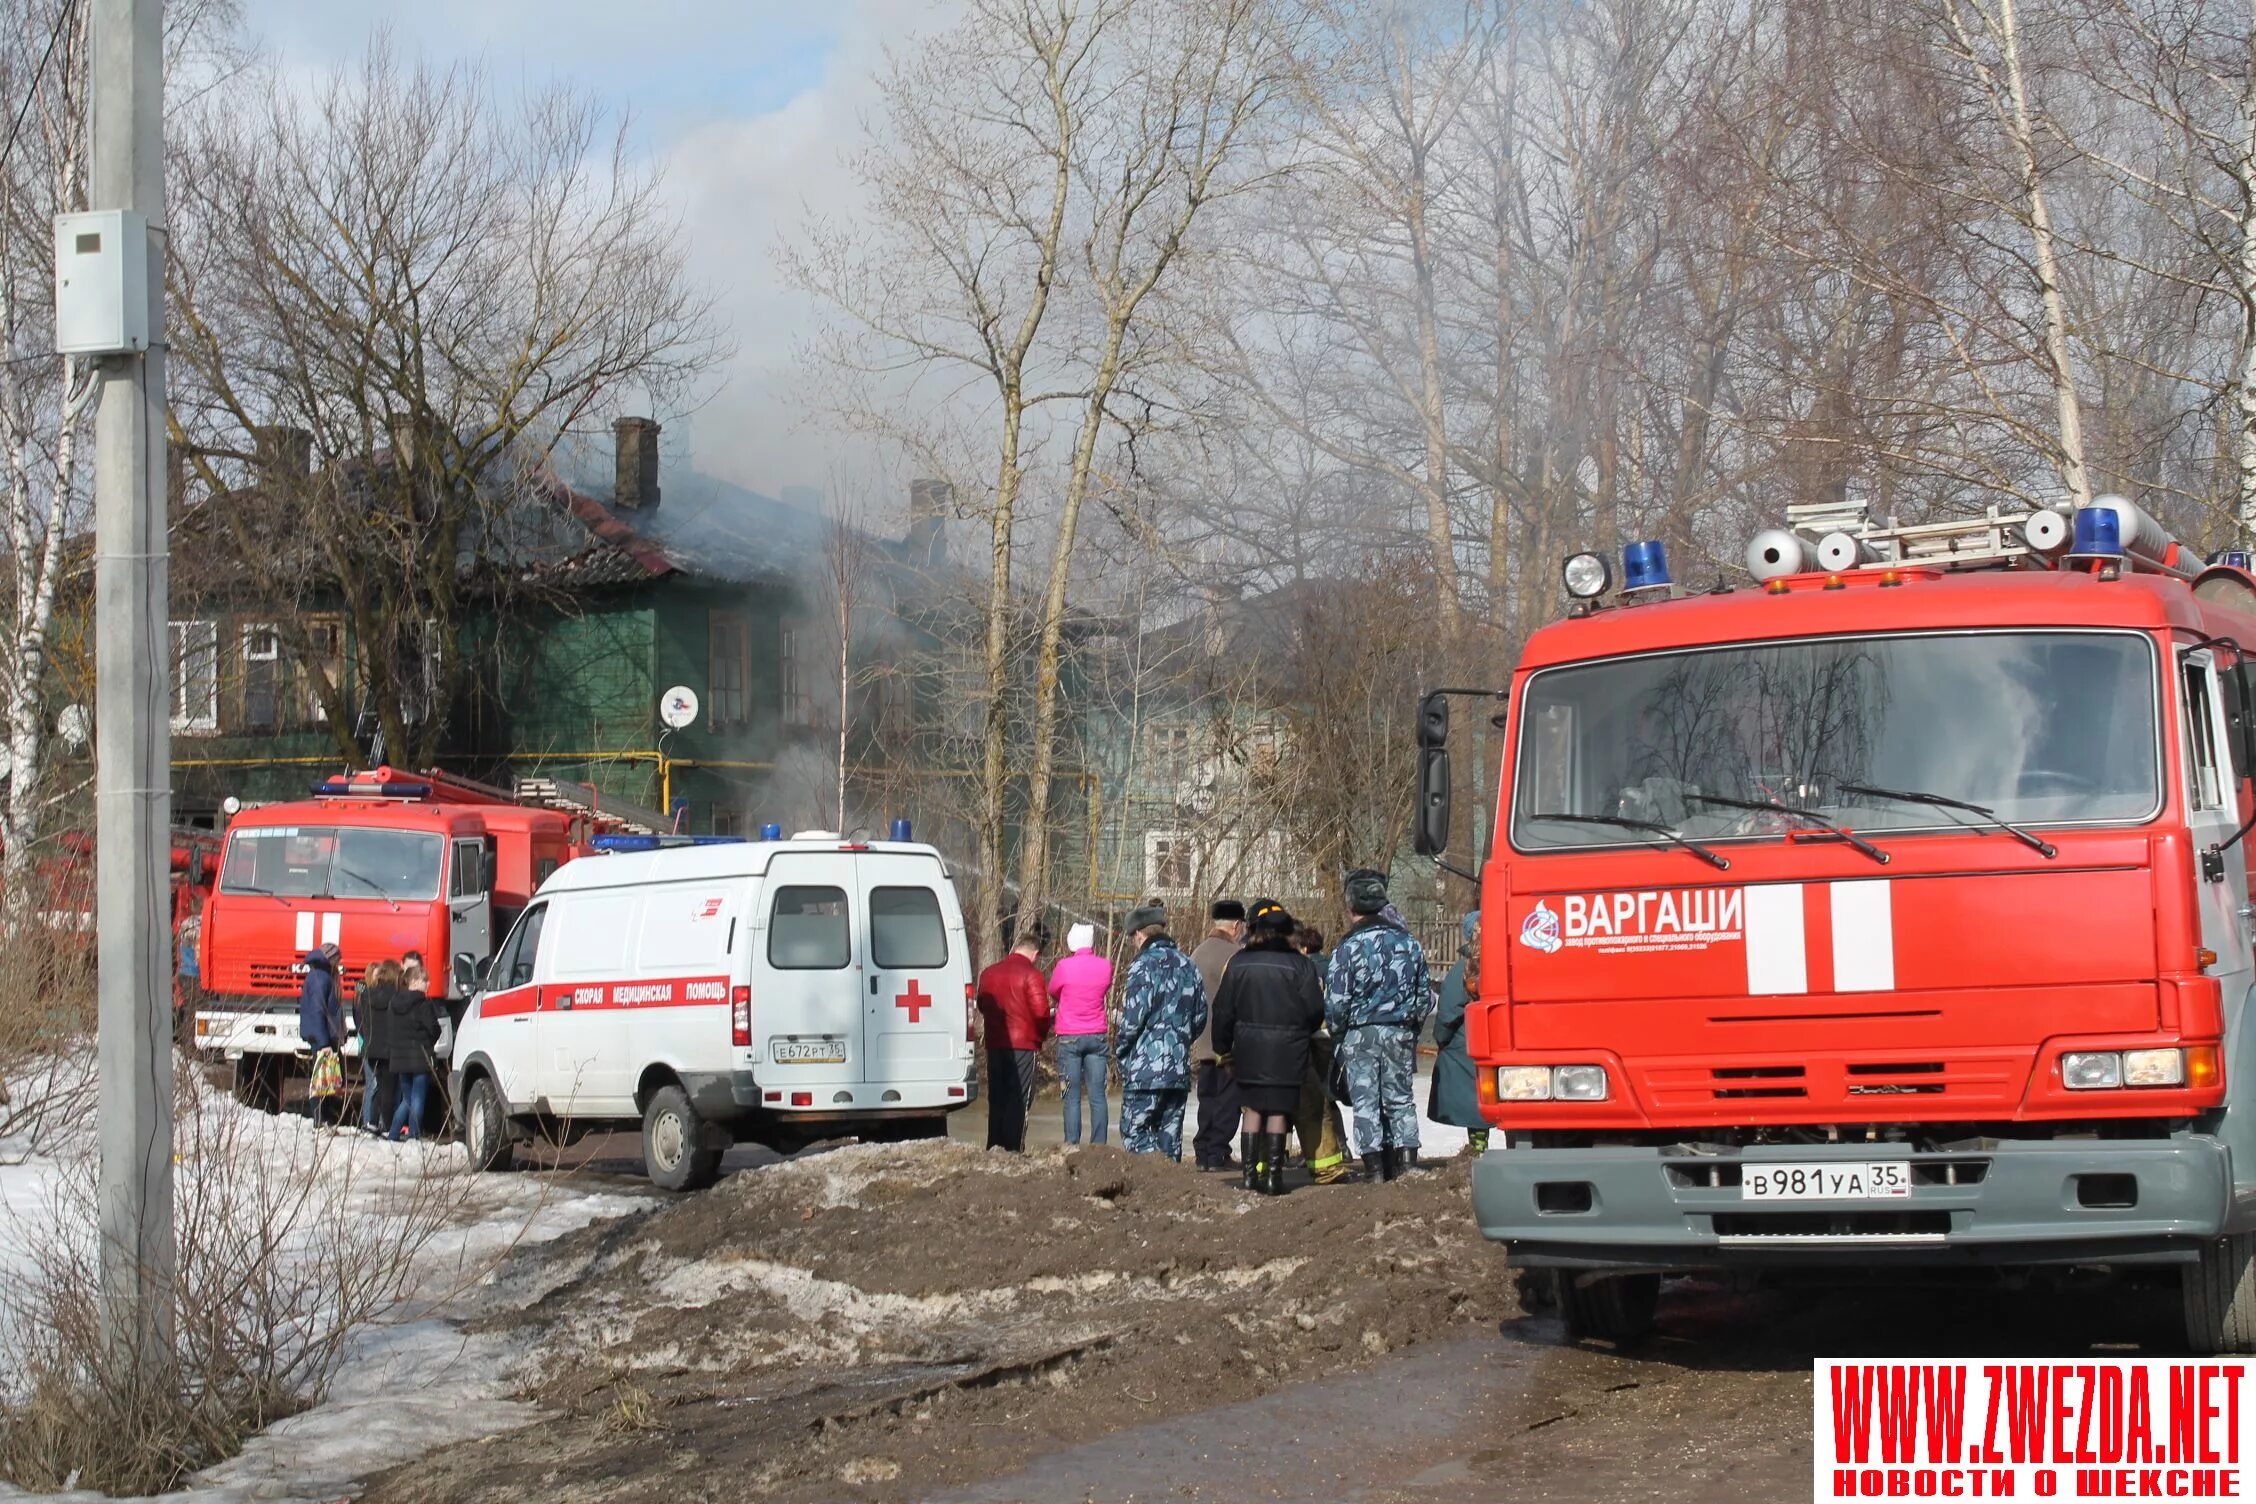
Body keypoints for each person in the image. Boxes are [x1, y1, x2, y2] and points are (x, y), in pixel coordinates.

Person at [1325, 869, 1434, 1181]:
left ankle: (1374, 1170)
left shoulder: (1347, 948)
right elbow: (1424, 995)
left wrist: (1339, 1033)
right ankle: (1408, 1163)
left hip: (1360, 1035)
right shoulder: (1408, 943)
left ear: (1351, 907)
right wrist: (1409, 1026)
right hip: (1399, 1031)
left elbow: (1336, 1001)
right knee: (1401, 1099)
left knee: (1366, 1102)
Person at [1211, 899, 1325, 1196]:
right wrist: (1301, 1032)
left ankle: (1250, 1175)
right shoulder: (1301, 965)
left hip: (1248, 1049)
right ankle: (1274, 1176)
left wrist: (1223, 1049)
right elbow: (1315, 1010)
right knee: (1278, 1111)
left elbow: (1223, 1010)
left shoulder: (1239, 963)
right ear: (1288, 933)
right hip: (1289, 1050)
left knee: (1252, 1109)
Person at [1115, 900, 1207, 1160]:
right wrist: (1181, 1039)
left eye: (1134, 938)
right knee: (1170, 1137)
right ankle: (1170, 1189)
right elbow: (1200, 1015)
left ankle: (1153, 1178)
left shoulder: (1143, 965)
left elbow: (1133, 1019)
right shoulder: (1188, 965)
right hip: (1178, 1067)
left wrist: (1122, 1051)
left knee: (1134, 1130)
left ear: (1140, 934)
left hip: (1145, 1067)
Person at [975, 919, 1053, 1152]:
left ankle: (993, 1146)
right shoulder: (1032, 975)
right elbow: (1041, 1012)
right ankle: (1013, 1149)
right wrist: (1039, 1037)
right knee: (1019, 1099)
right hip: (1024, 1045)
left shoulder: (989, 973)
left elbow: (981, 1004)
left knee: (996, 1097)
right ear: (1035, 953)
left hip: (995, 1043)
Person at [1187, 900, 1246, 1171]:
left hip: (1202, 1041)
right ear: (1236, 926)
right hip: (1228, 1042)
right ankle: (1217, 1153)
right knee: (1228, 1102)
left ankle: (1202, 1153)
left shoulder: (1196, 953)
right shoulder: (1235, 955)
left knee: (1206, 1099)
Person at [1291, 925, 1350, 1186]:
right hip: (1328, 1036)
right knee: (1328, 1094)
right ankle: (1342, 1145)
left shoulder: (1303, 967)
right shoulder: (1332, 963)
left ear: (1303, 947)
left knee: (1312, 1098)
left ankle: (1297, 1153)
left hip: (1309, 1037)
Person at [1048, 922, 1114, 1146]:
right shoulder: (1105, 966)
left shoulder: (1064, 966)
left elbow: (1053, 990)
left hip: (1069, 1036)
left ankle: (1072, 1144)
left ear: (1071, 942)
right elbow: (1104, 988)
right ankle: (1099, 1145)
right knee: (1098, 1096)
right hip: (1097, 1034)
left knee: (1071, 1097)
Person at [1430, 912, 1490, 1157]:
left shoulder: (1462, 970)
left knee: (1473, 1102)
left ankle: (1477, 1151)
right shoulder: (1505, 960)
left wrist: (1441, 1039)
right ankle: (1514, 1147)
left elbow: (1447, 1013)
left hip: (1469, 1043)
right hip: (1499, 1041)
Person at [386, 957, 442, 1141]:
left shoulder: (394, 1003)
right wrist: (429, 1043)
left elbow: (391, 1029)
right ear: (416, 981)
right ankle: (414, 1135)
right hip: (420, 1056)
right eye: (425, 980)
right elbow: (434, 1029)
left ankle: (394, 1133)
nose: (429, 984)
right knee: (417, 1099)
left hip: (400, 1058)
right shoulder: (423, 1004)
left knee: (407, 1099)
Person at [297, 942, 346, 1124]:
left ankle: (324, 1116)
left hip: (324, 1034)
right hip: (322, 1036)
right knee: (321, 1078)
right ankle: (320, 1118)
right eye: (338, 959)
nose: (339, 963)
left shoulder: (319, 975)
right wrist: (324, 1041)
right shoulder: (321, 978)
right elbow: (318, 1010)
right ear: (331, 958)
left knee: (328, 1076)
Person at [357, 958, 399, 1136]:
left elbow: (361, 1018)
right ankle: (388, 1126)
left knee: (376, 1087)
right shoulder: (395, 996)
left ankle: (371, 1121)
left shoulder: (365, 994)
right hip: (389, 1048)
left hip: (372, 1047)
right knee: (387, 1089)